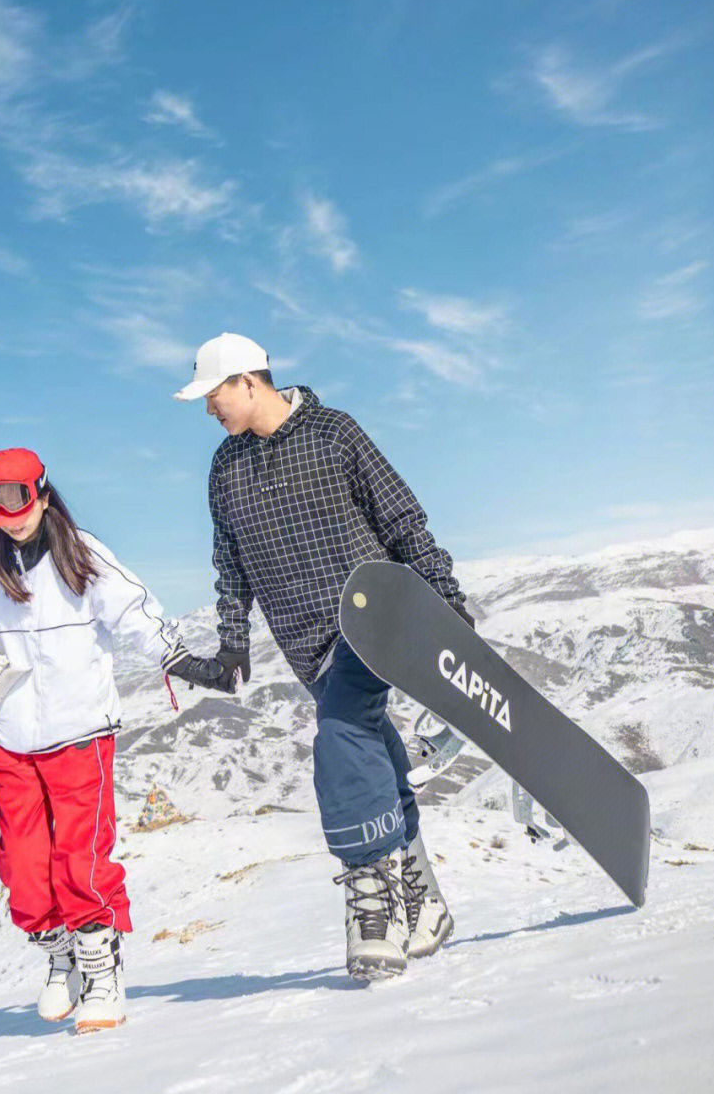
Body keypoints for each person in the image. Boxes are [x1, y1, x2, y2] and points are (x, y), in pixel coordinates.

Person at [174, 333, 472, 981]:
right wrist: (231, 643)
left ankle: (373, 897)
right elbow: (231, 566)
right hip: (303, 641)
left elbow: (402, 523)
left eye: (214, 394)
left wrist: (450, 609)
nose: (208, 409)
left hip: (373, 616)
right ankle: (423, 901)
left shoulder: (335, 432)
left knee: (340, 732)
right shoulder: (224, 469)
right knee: (368, 738)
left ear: (249, 381)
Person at [0, 446, 231, 1033]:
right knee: (25, 870)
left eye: (16, 500)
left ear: (43, 494)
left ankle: (100, 968)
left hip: (79, 731)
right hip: (11, 737)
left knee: (81, 857)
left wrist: (176, 658)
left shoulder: (81, 553)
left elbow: (132, 610)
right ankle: (60, 959)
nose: (6, 515)